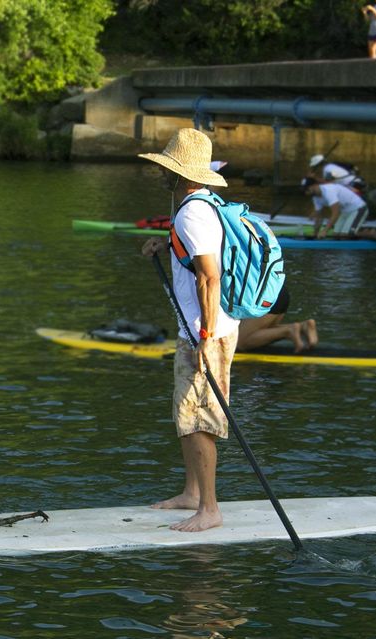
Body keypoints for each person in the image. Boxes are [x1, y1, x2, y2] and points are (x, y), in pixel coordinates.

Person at [137, 128, 239, 533]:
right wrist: (164, 243)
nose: (163, 175)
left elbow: (210, 277)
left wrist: (206, 336)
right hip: (200, 328)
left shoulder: (193, 211)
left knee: (198, 417)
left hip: (205, 331)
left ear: (181, 175)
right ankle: (193, 493)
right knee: (185, 412)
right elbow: (196, 250)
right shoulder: (200, 205)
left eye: (168, 169)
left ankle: (209, 509)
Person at [237, 285, 318, 354]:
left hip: (264, 297)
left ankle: (289, 331)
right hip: (278, 291)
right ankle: (302, 327)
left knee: (240, 342)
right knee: (262, 330)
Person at [302, 177, 376, 240]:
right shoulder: (315, 198)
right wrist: (315, 234)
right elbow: (318, 218)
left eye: (307, 189)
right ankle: (357, 233)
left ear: (315, 185)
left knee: (345, 235)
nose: (305, 192)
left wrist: (325, 231)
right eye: (304, 190)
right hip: (345, 211)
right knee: (336, 236)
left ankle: (370, 233)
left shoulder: (329, 191)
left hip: (358, 208)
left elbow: (335, 213)